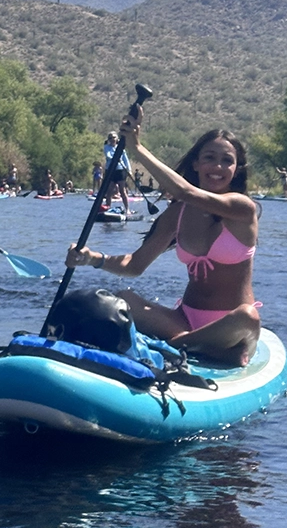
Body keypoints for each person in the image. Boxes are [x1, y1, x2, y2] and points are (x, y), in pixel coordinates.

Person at [66, 111, 260, 366]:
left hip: (233, 327)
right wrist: (92, 258)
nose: (218, 167)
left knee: (248, 316)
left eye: (227, 161)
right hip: (183, 321)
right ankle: (191, 343)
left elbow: (185, 191)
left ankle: (180, 346)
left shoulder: (242, 209)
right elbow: (135, 265)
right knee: (124, 297)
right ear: (196, 164)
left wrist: (136, 148)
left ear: (236, 170)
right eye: (210, 158)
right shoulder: (177, 214)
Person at [104, 131, 130, 213]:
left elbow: (126, 160)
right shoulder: (106, 147)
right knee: (110, 191)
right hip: (111, 170)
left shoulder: (120, 148)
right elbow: (108, 155)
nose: (112, 139)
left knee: (122, 190)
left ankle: (127, 209)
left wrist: (129, 170)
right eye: (110, 138)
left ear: (117, 139)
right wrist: (114, 158)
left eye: (114, 137)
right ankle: (107, 207)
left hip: (120, 170)